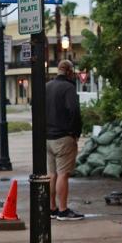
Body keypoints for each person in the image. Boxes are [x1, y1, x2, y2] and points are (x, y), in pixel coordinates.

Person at [45, 60, 83, 220]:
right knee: (63, 174)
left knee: (51, 174)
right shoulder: (68, 88)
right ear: (69, 71)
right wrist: (75, 132)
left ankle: (51, 208)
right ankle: (63, 209)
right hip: (63, 136)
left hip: (47, 137)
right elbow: (74, 110)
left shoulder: (46, 86)